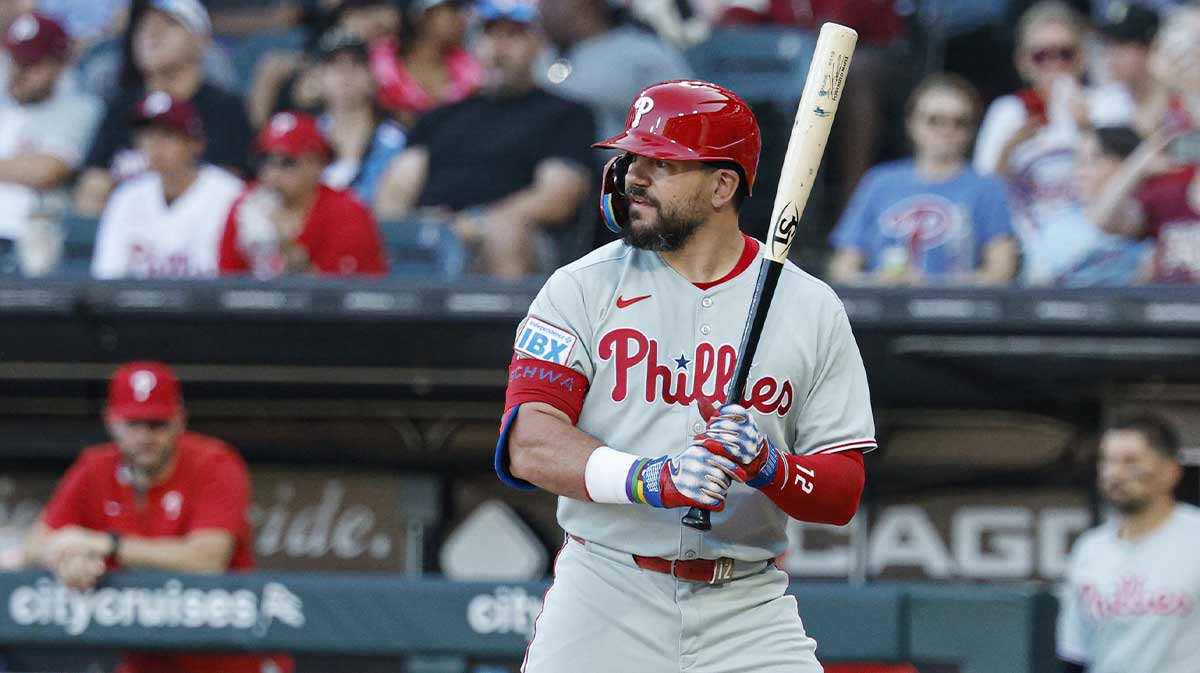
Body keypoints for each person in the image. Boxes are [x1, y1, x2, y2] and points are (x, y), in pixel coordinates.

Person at [495, 80, 875, 672]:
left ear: (723, 185)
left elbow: (841, 490)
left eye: (662, 162)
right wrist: (653, 478)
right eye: (632, 158)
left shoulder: (809, 305)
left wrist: (771, 466)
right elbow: (529, 443)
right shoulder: (580, 287)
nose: (633, 177)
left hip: (746, 603)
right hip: (605, 589)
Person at [23, 361, 294, 673]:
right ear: (111, 421)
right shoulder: (95, 467)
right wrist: (67, 558)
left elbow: (206, 561)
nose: (144, 436)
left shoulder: (214, 462)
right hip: (150, 660)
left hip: (231, 657)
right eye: (133, 423)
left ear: (179, 420)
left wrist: (105, 544)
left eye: (156, 423)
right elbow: (35, 545)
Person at [375, 0, 593, 277]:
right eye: (489, 34)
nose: (499, 48)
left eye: (513, 35)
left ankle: (510, 321)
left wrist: (476, 223)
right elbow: (394, 193)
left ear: (538, 44)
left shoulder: (566, 114)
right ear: (474, 44)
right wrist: (428, 227)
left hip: (516, 238)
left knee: (505, 228)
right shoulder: (440, 116)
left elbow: (558, 196)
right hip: (434, 236)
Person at [973, 1, 1133, 284]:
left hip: (1101, 252)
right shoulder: (1008, 111)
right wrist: (1010, 147)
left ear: (1082, 56)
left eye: (1065, 54)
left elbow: (1130, 181)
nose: (1055, 64)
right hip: (1027, 255)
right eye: (1041, 56)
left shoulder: (1111, 102)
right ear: (1023, 62)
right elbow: (983, 192)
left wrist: (1087, 128)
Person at [828, 74, 1017, 286]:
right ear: (911, 123)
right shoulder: (879, 182)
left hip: (958, 315)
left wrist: (932, 287)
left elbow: (1001, 270)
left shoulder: (987, 187)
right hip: (881, 311)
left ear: (972, 129)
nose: (947, 130)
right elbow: (842, 266)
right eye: (934, 120)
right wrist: (879, 282)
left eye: (960, 122)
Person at [73, 0, 252, 216]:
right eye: (144, 25)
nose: (152, 33)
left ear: (201, 41)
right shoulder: (121, 106)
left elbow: (227, 190)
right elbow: (89, 191)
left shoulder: (225, 109)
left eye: (169, 24)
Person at [1057, 413, 1200, 673]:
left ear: (1171, 470)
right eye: (1108, 461)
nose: (1115, 474)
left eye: (1130, 461)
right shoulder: (1090, 549)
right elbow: (1075, 653)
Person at [1088, 4, 1200, 284]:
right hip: (1167, 306)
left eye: (1191, 47)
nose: (1181, 60)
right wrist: (1141, 162)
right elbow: (1104, 218)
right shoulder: (1171, 133)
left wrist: (1185, 89)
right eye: (1173, 49)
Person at [91, 92, 245, 278]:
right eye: (147, 135)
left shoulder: (230, 194)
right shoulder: (127, 196)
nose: (154, 145)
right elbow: (107, 277)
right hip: (136, 306)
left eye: (167, 134)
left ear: (195, 143)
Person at [220, 110, 389, 277]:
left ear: (318, 164)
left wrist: (285, 245)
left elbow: (335, 295)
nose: (272, 174)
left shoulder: (347, 212)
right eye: (264, 160)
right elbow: (226, 282)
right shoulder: (247, 204)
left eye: (287, 162)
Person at [0, 12, 101, 270]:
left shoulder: (80, 108)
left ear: (60, 63)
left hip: (25, 241)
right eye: (15, 59)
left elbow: (47, 170)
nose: (18, 71)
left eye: (31, 63)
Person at [537, 0, 691, 140]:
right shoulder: (539, 59)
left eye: (553, 2)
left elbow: (683, 122)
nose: (543, 9)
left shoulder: (642, 53)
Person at [316, 29, 408, 208]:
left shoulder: (393, 139)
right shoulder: (308, 134)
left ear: (372, 76)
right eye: (335, 66)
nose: (345, 74)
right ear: (320, 77)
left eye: (356, 65)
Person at [370, 0, 482, 125]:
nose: (463, 20)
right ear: (425, 16)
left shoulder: (471, 72)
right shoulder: (378, 64)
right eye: (453, 10)